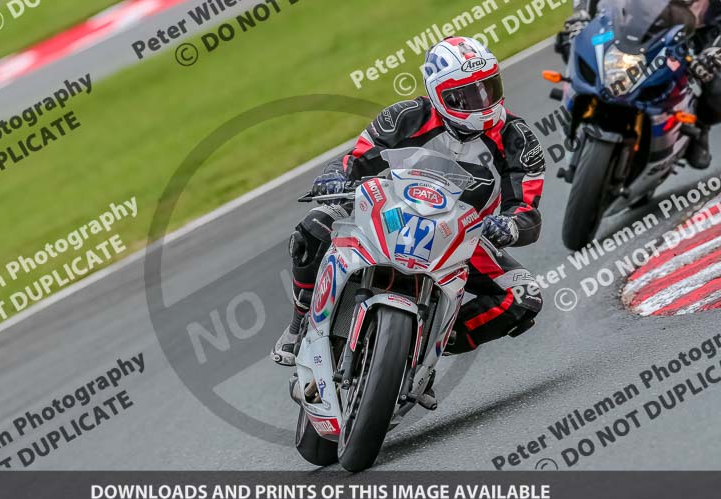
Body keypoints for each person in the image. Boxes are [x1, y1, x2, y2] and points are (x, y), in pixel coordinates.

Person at [271, 37, 545, 379]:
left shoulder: (517, 137)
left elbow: (528, 208)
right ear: (438, 94)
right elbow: (353, 161)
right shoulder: (404, 117)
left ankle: (436, 337)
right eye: (466, 96)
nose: (482, 103)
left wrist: (510, 225)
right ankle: (299, 321)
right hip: (390, 215)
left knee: (525, 296)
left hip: (463, 238)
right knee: (314, 226)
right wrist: (334, 178)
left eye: (488, 88)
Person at [555, 0, 721, 169]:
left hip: (704, 31)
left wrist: (715, 51)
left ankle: (700, 126)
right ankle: (578, 93)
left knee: (718, 89)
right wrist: (580, 15)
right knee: (575, 39)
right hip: (645, 16)